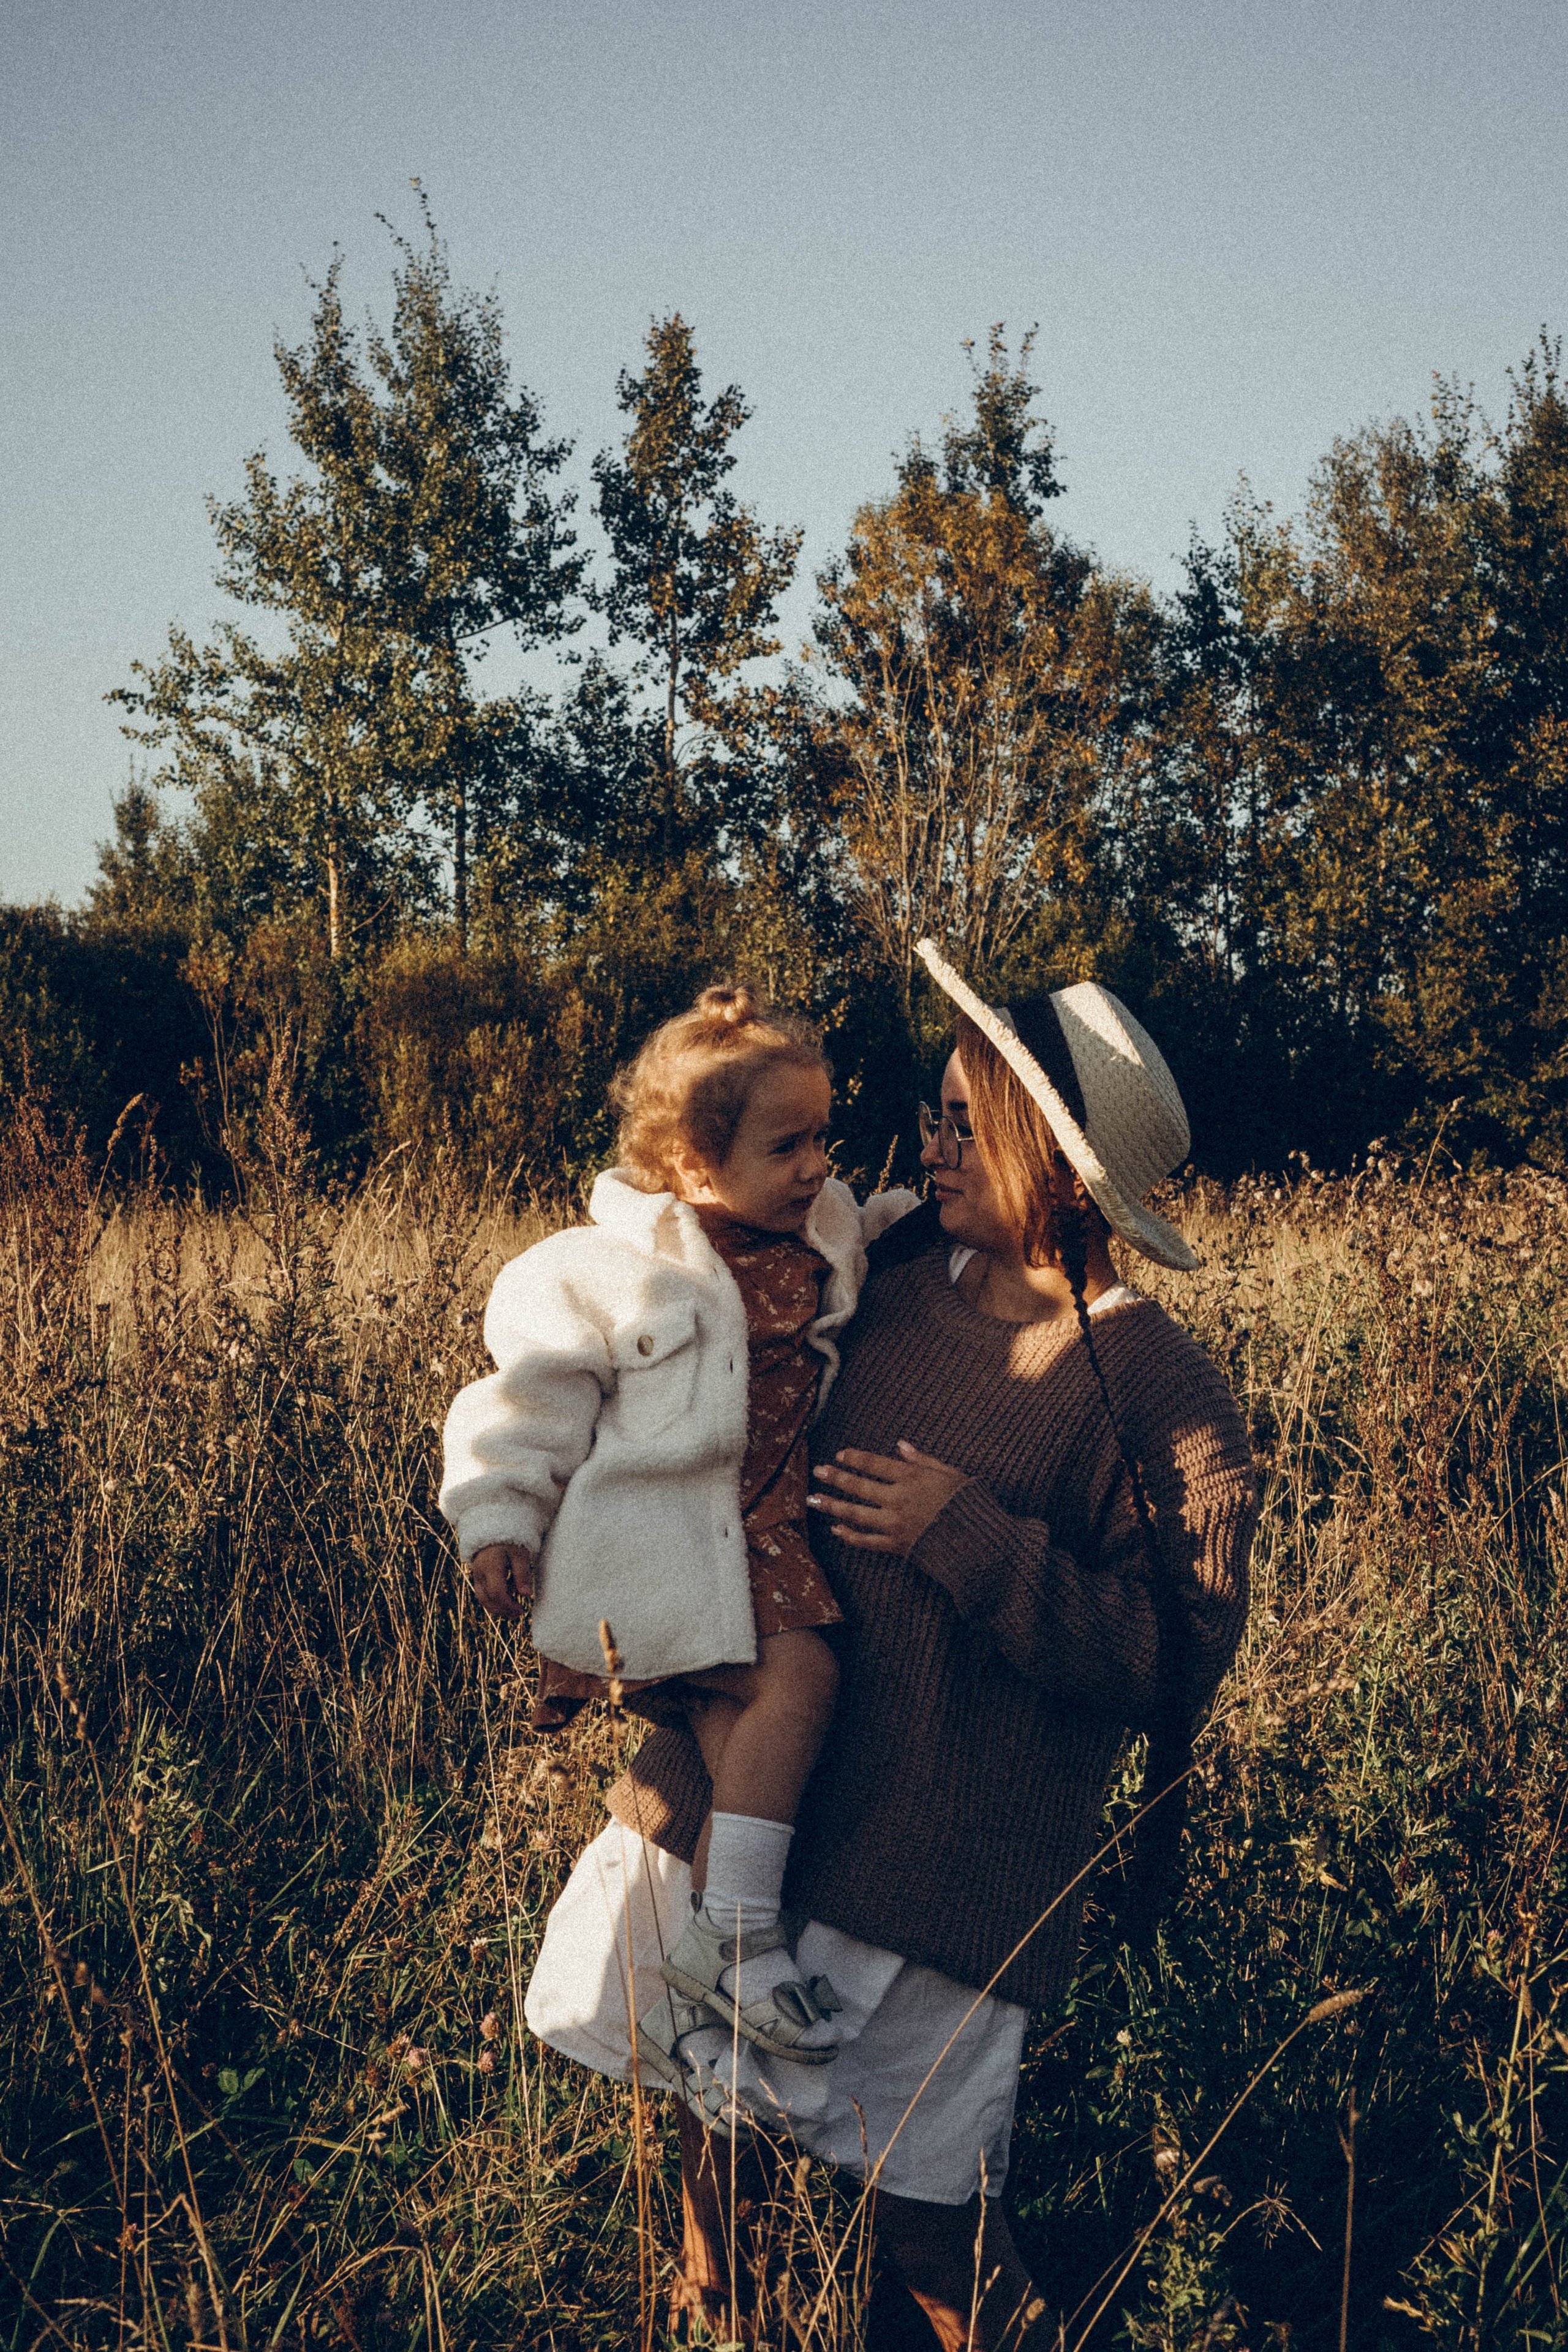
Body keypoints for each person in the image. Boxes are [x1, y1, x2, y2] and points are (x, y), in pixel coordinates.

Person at [522, 942, 1257, 2348]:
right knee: (708, 2147)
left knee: (929, 2224)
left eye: (958, 1121)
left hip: (944, 1859)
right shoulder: (882, 1277)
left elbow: (1169, 1664)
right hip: (754, 1800)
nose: (924, 1147)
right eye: (928, 1117)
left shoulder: (1160, 1392)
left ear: (1052, 1152)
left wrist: (966, 1535)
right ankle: (715, 2321)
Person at [441, 986, 914, 2089]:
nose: (816, 1167)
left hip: (758, 1542)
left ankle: (696, 2020)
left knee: (735, 1753)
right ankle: (737, 1931)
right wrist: (498, 1517)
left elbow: (882, 1217)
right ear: (694, 1168)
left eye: (823, 1137)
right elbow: (523, 1403)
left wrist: (944, 1205)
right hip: (660, 1555)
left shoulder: (826, 1221)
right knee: (802, 1682)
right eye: (786, 1144)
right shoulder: (603, 1270)